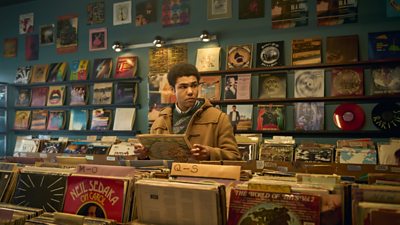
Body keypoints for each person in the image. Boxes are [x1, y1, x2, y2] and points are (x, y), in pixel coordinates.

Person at [135, 63, 241, 161]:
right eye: (183, 87)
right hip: (168, 180)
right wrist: (143, 156)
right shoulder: (160, 122)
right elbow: (153, 163)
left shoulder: (218, 118)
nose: (190, 92)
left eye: (194, 85)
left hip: (202, 179)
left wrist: (210, 153)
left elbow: (235, 157)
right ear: (172, 90)